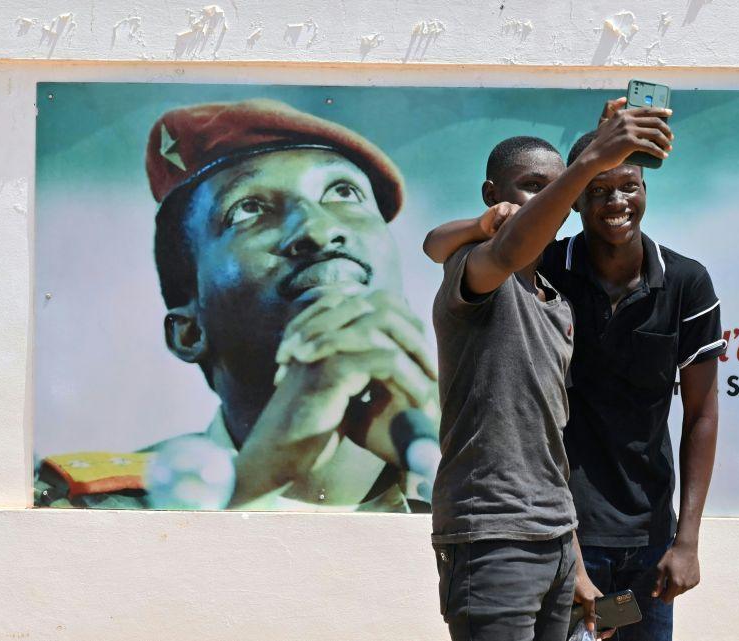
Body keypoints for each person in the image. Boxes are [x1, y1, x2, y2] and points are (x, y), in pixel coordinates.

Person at [35, 99, 440, 512]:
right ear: (189, 331)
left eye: (344, 192)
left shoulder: (485, 479)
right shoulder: (84, 507)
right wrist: (254, 484)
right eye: (248, 209)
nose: (319, 230)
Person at [426, 98, 722, 641]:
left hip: (603, 544)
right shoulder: (507, 271)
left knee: (624, 630)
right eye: (596, 189)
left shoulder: (557, 300)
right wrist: (484, 222)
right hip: (512, 540)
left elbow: (697, 412)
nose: (615, 201)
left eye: (629, 186)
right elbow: (465, 245)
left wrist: (685, 540)